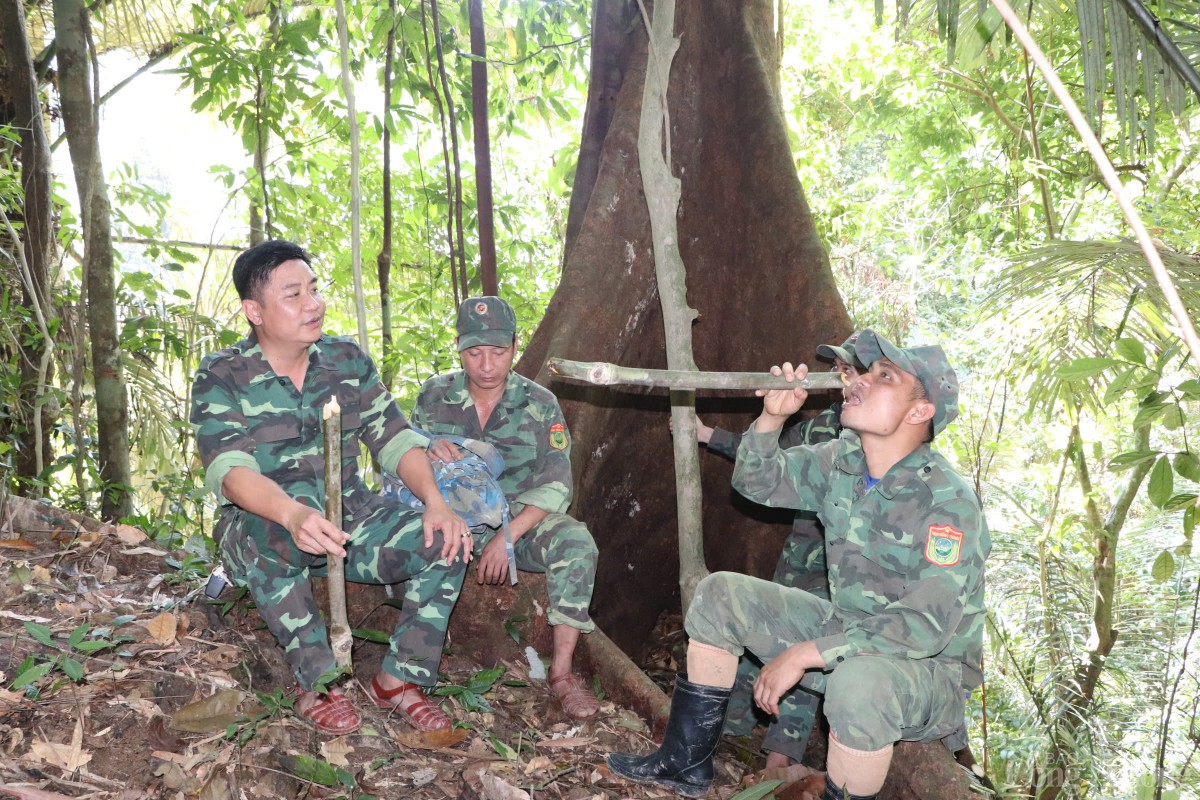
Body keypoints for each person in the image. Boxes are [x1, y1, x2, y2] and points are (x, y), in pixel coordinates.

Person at [607, 330, 989, 800]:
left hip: (927, 673)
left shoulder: (947, 502)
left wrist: (805, 653)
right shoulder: (845, 460)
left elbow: (924, 625)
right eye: (864, 372)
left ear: (919, 411)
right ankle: (684, 764)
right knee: (720, 593)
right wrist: (771, 419)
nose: (861, 382)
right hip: (846, 627)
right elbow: (757, 483)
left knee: (859, 680)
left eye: (885, 376)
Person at [191, 240, 471, 736]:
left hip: (349, 523)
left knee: (444, 539)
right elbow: (231, 472)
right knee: (264, 530)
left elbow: (395, 439)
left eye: (315, 290)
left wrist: (437, 503)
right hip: (270, 525)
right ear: (254, 310)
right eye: (294, 295)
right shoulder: (223, 376)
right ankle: (318, 682)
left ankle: (399, 680)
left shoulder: (346, 361)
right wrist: (293, 514)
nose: (314, 304)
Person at [410, 296, 602, 720]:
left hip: (518, 522)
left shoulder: (539, 404)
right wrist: (424, 446)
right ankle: (410, 676)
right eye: (474, 353)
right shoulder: (433, 396)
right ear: (458, 345)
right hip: (449, 517)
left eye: (498, 352)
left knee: (576, 542)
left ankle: (563, 675)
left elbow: (557, 483)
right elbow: (398, 459)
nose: (486, 365)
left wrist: (508, 536)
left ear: (515, 346)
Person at [695, 334, 859, 770]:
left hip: (840, 577)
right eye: (842, 370)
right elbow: (771, 459)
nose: (848, 379)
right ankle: (725, 731)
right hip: (798, 558)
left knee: (814, 657)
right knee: (761, 637)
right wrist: (708, 434)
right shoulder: (823, 425)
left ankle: (780, 760)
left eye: (856, 369)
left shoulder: (887, 441)